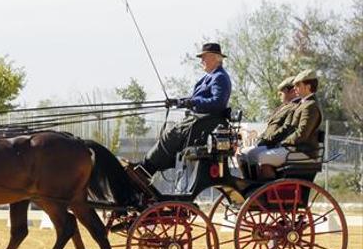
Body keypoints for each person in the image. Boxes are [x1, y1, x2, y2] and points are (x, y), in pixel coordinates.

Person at [136, 42, 232, 178]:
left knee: (172, 133)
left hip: (207, 122)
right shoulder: (209, 77)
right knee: (171, 132)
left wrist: (193, 102)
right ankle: (148, 166)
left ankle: (147, 169)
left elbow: (218, 102)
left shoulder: (220, 77)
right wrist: (178, 102)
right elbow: (195, 98)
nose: (202, 61)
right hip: (200, 119)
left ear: (214, 57)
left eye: (204, 57)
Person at [246, 69, 323, 179]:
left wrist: (282, 143)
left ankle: (268, 192)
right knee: (253, 154)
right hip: (294, 149)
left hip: (303, 151)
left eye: (298, 85)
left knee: (261, 156)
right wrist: (273, 141)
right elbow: (287, 127)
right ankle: (259, 189)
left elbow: (302, 133)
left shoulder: (310, 106)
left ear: (308, 86)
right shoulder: (302, 104)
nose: (295, 88)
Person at [237, 76, 298, 178]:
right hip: (269, 142)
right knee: (242, 154)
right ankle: (251, 185)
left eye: (281, 92)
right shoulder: (284, 107)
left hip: (275, 144)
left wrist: (266, 140)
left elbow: (286, 129)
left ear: (291, 91)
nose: (279, 95)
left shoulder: (294, 107)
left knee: (247, 154)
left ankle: (256, 187)